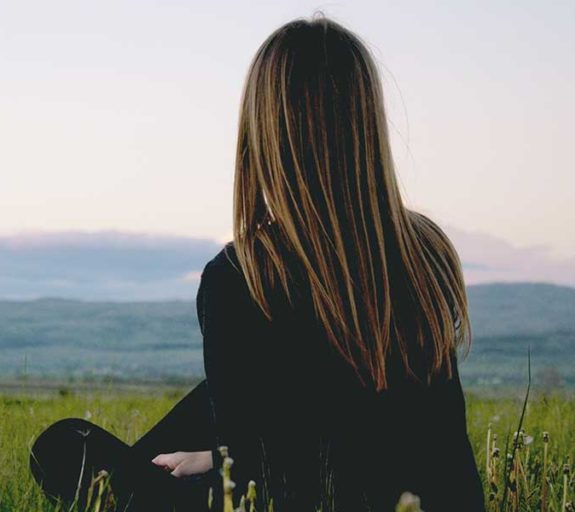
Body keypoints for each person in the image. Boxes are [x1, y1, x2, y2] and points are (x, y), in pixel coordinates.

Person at [28, 13, 485, 512]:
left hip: (287, 495)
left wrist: (223, 459)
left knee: (62, 446)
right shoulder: (427, 252)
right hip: (415, 496)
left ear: (265, 130)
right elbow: (429, 447)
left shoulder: (244, 276)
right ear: (366, 122)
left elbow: (263, 482)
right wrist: (219, 454)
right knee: (213, 400)